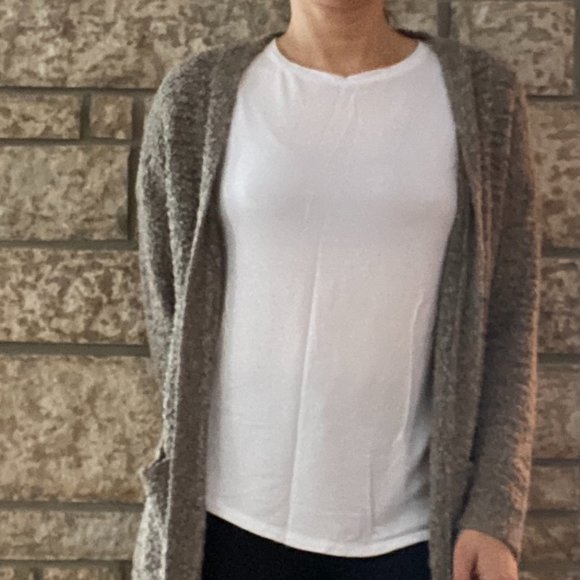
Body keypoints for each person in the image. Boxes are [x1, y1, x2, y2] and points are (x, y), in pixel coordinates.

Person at [132, 2, 542, 580]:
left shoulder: (482, 96)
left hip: (413, 537)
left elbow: (508, 318)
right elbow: (169, 308)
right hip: (223, 522)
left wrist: (495, 510)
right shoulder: (196, 96)